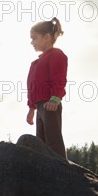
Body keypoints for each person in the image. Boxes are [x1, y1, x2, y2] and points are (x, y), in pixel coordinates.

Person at [26, 17, 68, 159]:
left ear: (47, 37)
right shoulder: (35, 63)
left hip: (51, 106)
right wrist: (31, 108)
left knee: (53, 142)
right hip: (40, 107)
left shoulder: (57, 55)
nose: (32, 42)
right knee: (41, 144)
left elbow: (59, 79)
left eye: (34, 38)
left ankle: (63, 172)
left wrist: (55, 99)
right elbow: (31, 87)